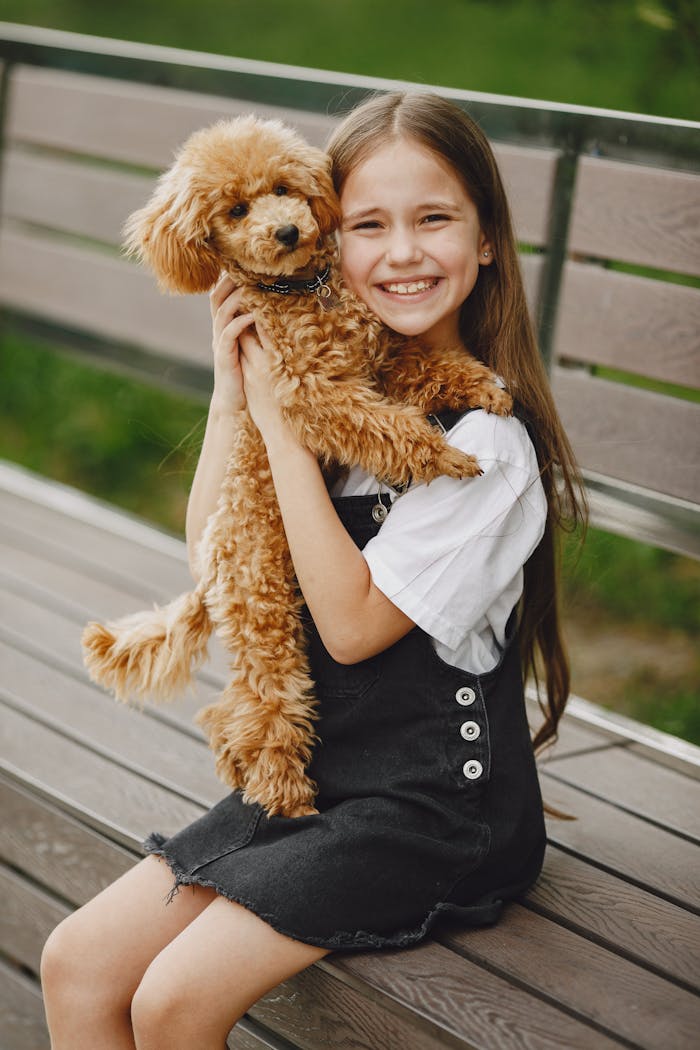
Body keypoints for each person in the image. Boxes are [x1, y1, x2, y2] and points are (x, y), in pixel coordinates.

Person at [40, 91, 585, 1049]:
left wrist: (287, 423)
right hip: (315, 785)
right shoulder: (343, 382)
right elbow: (215, 546)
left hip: (432, 811)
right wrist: (232, 390)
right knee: (77, 964)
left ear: (489, 238)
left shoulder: (485, 444)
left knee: (172, 1001)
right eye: (369, 224)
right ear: (330, 232)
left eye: (435, 219)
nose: (401, 252)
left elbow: (351, 626)